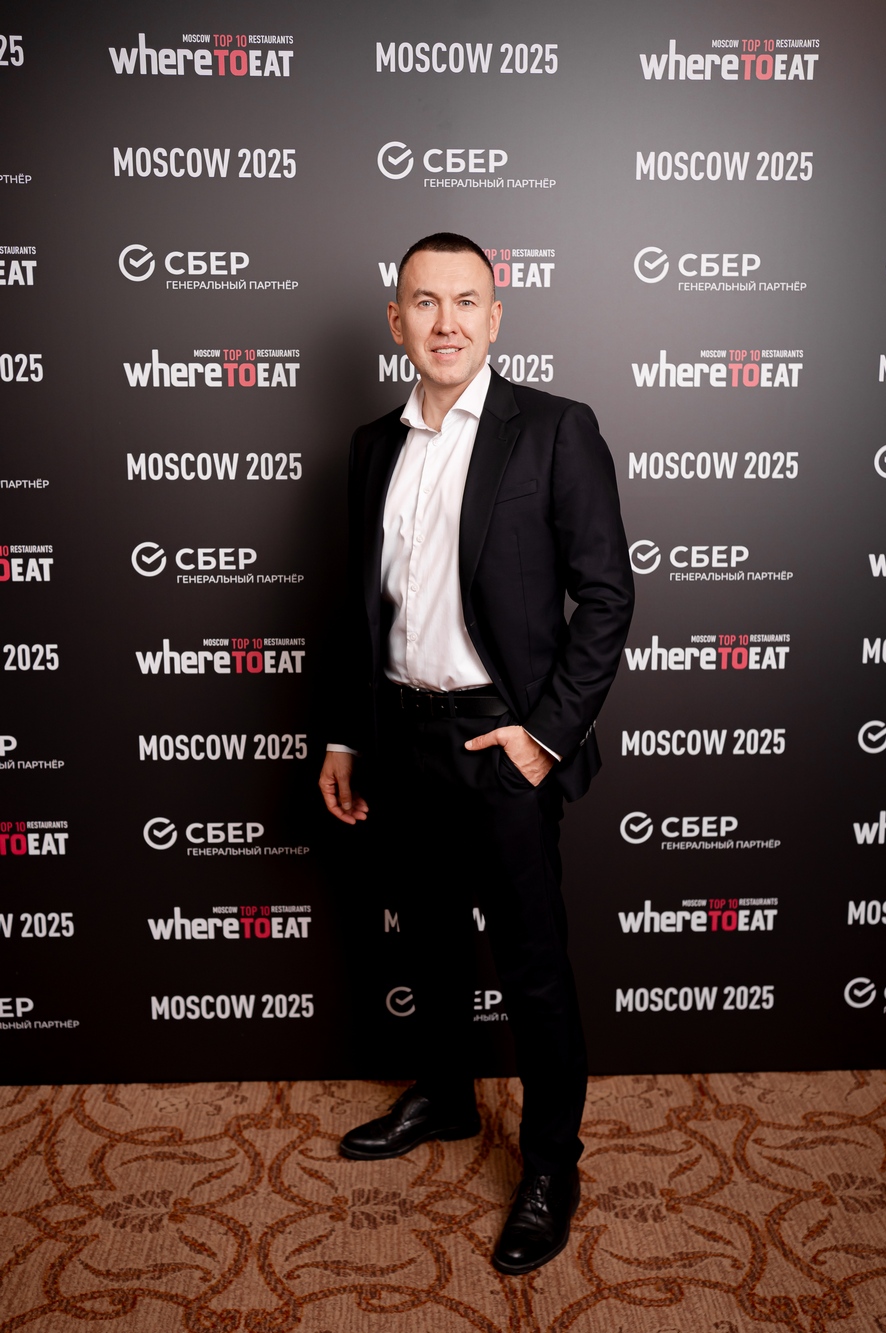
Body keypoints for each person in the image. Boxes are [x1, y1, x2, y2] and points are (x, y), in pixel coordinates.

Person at [318, 232, 633, 1274]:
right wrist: (348, 734)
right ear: (396, 321)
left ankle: (550, 1165)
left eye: (465, 301)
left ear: (496, 319)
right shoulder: (373, 445)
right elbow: (364, 609)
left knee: (534, 968)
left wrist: (544, 739)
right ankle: (449, 1098)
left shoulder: (554, 429)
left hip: (502, 740)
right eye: (424, 301)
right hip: (401, 735)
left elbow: (607, 597)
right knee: (431, 944)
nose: (445, 321)